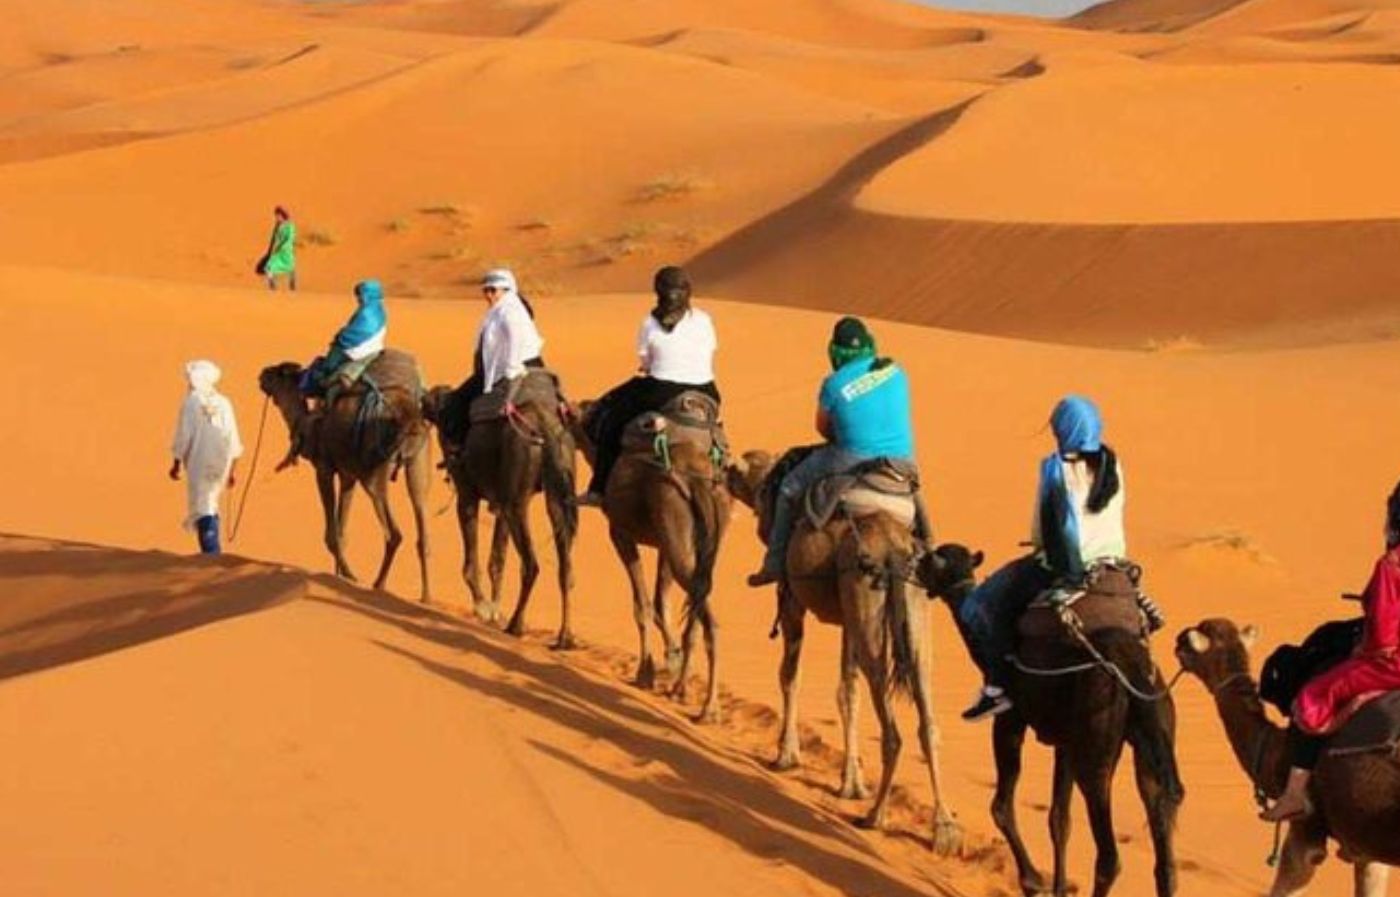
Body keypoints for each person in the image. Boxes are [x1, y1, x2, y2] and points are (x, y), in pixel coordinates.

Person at [956, 395, 1158, 721]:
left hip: (1065, 567)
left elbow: (1042, 528)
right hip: (1114, 564)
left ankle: (997, 688)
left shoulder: (1055, 469)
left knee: (981, 603)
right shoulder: (1113, 465)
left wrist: (1040, 545)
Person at [1262, 481, 1400, 822]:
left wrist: (1362, 649)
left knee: (1313, 696)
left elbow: (1383, 638)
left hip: (1391, 663)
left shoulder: (1391, 565)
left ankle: (1295, 794)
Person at [747, 316, 916, 587]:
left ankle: (774, 564)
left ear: (835, 352)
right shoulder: (895, 371)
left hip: (851, 456)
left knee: (790, 487)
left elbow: (823, 428)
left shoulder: (834, 384)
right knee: (913, 492)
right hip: (901, 461)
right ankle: (929, 546)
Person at [579, 266, 719, 507]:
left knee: (612, 419)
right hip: (706, 389)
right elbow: (710, 350)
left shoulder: (649, 323)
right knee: (715, 432)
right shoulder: (704, 320)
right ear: (687, 292)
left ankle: (599, 488)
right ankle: (722, 484)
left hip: (660, 389)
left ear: (658, 292)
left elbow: (645, 363)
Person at [438, 268, 544, 455]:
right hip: (529, 364)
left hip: (513, 366)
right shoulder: (504, 309)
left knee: (456, 403)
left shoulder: (509, 311)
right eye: (485, 290)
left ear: (507, 290)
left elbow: (515, 339)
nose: (488, 295)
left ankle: (459, 449)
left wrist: (511, 370)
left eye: (493, 290)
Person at [169, 360, 243, 555]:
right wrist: (232, 469)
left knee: (203, 505)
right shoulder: (224, 402)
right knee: (210, 501)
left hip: (199, 460)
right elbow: (233, 436)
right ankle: (212, 553)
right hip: (222, 461)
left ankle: (211, 556)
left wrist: (176, 462)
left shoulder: (191, 401)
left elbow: (183, 435)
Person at [301, 279, 387, 398]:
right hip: (375, 350)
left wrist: (340, 338)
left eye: (361, 295)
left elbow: (355, 334)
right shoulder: (379, 310)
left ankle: (320, 403)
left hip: (356, 351)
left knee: (325, 370)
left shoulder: (366, 313)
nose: (358, 299)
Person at [259, 206, 297, 291]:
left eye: (278, 216)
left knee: (291, 269)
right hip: (277, 252)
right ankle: (273, 288)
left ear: (282, 215)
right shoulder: (277, 227)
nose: (276, 218)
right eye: (276, 216)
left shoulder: (290, 226)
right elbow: (274, 239)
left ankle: (293, 288)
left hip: (287, 252)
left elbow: (290, 238)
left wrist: (283, 246)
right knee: (269, 267)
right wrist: (271, 251)